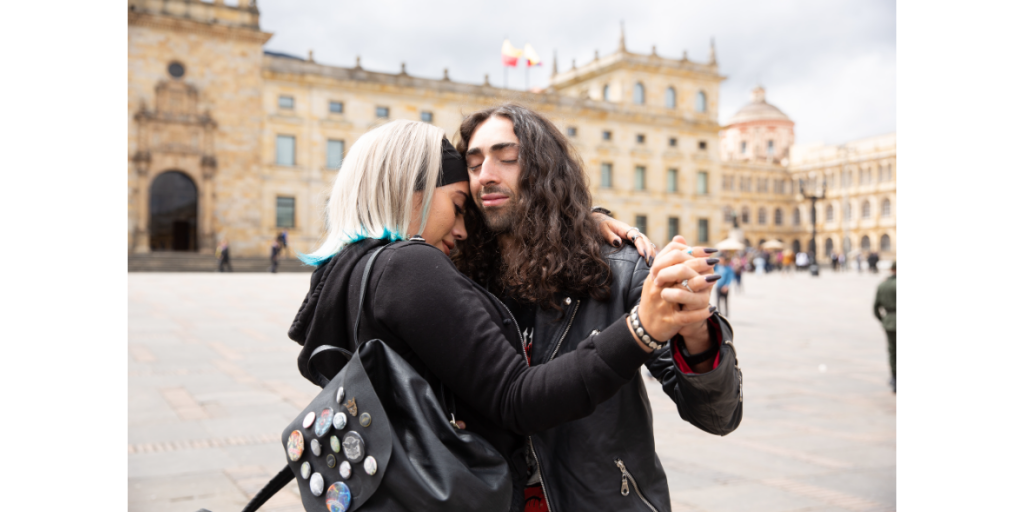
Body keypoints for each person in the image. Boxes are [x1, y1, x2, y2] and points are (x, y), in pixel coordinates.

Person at [289, 120, 701, 512]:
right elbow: (516, 398)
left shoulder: (344, 271)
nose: (465, 228)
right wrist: (640, 330)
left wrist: (578, 220)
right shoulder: (408, 266)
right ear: (412, 192)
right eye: (457, 204)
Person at [456, 104, 742, 512]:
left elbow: (718, 416)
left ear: (544, 169)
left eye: (508, 158)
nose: (486, 175)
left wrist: (697, 332)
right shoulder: (455, 277)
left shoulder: (619, 269)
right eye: (474, 163)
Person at [874, 261, 897, 393]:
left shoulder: (882, 285)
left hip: (889, 322)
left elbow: (875, 308)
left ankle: (895, 379)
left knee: (893, 351)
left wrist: (884, 320)